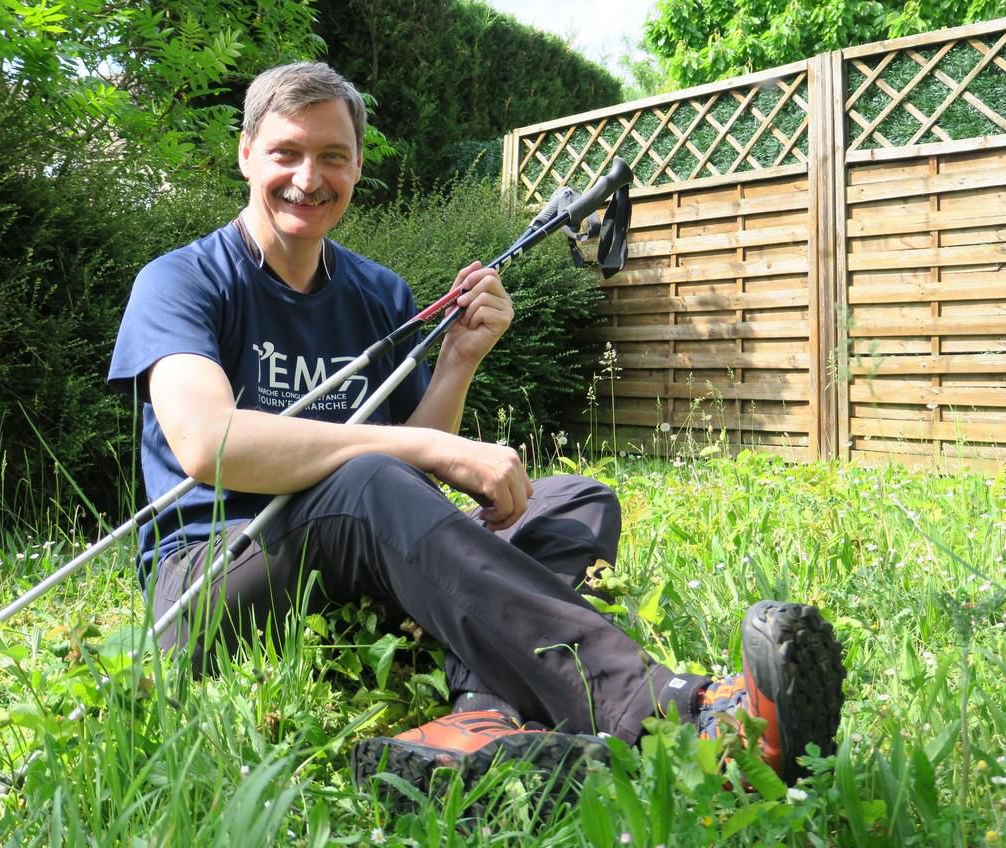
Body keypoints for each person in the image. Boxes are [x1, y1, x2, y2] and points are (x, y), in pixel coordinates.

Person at [107, 61, 846, 796]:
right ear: (246, 154)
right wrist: (427, 445)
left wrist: (458, 362)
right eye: (286, 152)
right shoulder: (182, 280)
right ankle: (669, 711)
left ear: (358, 165)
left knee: (571, 499)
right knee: (367, 477)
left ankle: (482, 721)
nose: (309, 176)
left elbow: (405, 497)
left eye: (333, 156)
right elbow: (211, 444)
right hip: (210, 585)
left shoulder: (376, 292)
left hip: (352, 572)